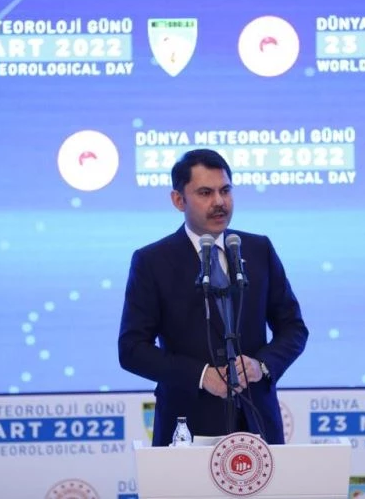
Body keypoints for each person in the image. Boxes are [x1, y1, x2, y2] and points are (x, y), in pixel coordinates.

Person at [118, 149, 308, 446]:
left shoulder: (258, 250)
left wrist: (261, 365)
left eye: (225, 191)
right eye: (205, 193)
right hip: (186, 427)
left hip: (258, 423)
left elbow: (293, 329)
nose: (219, 202)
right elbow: (132, 349)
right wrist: (201, 374)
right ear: (178, 200)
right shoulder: (152, 261)